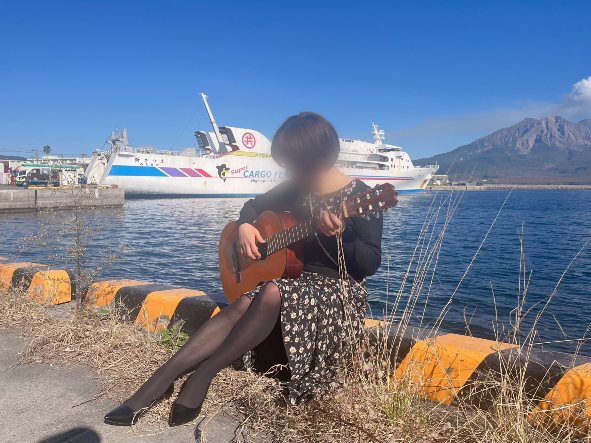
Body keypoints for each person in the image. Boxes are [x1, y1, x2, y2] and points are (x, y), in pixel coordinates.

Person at [104, 112, 383, 427]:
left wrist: (341, 235)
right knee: (242, 303)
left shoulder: (361, 196)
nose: (290, 172)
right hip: (294, 281)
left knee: (272, 291)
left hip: (337, 292)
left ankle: (204, 374)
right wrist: (245, 225)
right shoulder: (299, 188)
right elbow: (253, 205)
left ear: (319, 158)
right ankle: (162, 378)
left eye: (295, 165)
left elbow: (369, 264)